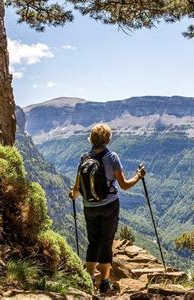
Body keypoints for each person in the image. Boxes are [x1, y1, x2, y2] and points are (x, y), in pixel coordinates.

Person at [69, 123, 146, 294]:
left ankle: (88, 281)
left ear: (91, 138)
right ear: (108, 139)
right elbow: (124, 185)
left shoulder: (83, 158)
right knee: (106, 242)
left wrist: (73, 196)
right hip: (109, 205)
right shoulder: (112, 157)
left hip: (89, 206)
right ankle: (104, 283)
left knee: (93, 242)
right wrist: (139, 176)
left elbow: (77, 189)